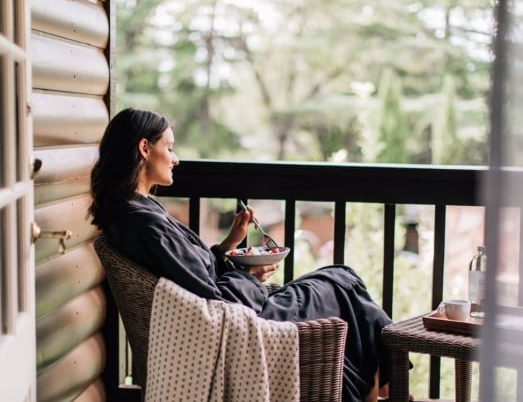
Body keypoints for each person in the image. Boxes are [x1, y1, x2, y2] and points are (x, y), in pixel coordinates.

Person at [87, 107, 393, 402]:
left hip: (231, 307)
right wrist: (249, 276)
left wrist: (228, 245)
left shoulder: (137, 211)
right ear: (144, 148)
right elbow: (212, 296)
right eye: (169, 147)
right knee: (340, 279)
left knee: (341, 282)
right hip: (236, 321)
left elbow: (190, 274)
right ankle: (387, 382)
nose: (176, 159)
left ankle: (377, 383)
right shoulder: (141, 221)